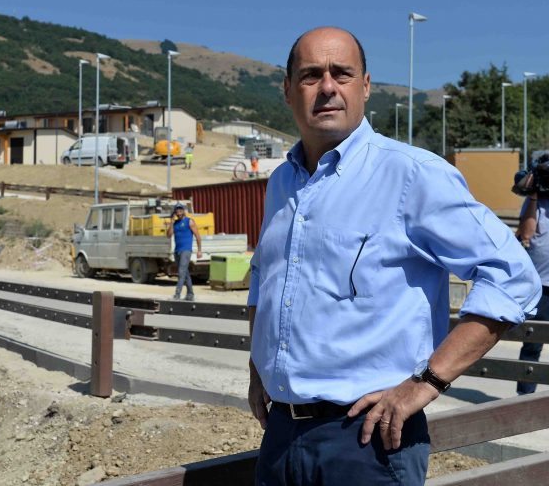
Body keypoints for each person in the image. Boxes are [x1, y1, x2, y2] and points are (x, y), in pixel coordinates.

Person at [248, 26, 540, 486]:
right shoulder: (282, 183)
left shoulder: (411, 175)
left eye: (342, 73)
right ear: (287, 90)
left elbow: (512, 276)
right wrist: (258, 368)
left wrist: (427, 382)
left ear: (365, 86)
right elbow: (264, 277)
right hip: (281, 436)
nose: (328, 87)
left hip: (367, 440)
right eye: (311, 75)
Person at [515, 185, 549, 395]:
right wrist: (534, 198)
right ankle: (524, 396)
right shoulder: (535, 202)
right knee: (532, 342)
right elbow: (526, 233)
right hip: (541, 285)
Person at [166, 202, 202, 301]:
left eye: (180, 209)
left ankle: (177, 295)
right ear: (175, 212)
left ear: (183, 211)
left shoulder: (189, 221)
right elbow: (168, 235)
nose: (179, 211)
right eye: (177, 210)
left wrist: (199, 250)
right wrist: (171, 222)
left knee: (181, 272)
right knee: (185, 273)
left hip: (186, 250)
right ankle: (190, 294)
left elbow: (198, 236)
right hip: (177, 251)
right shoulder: (175, 223)